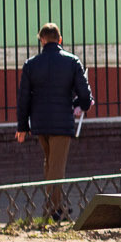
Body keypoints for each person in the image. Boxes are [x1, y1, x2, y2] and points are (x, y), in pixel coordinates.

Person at [15, 22, 93, 216]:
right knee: (56, 166)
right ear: (60, 40)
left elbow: (24, 97)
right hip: (62, 122)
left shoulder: (31, 64)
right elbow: (85, 93)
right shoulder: (72, 61)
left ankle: (57, 206)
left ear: (42, 40)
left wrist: (22, 126)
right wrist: (80, 105)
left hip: (40, 123)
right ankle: (53, 209)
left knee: (50, 163)